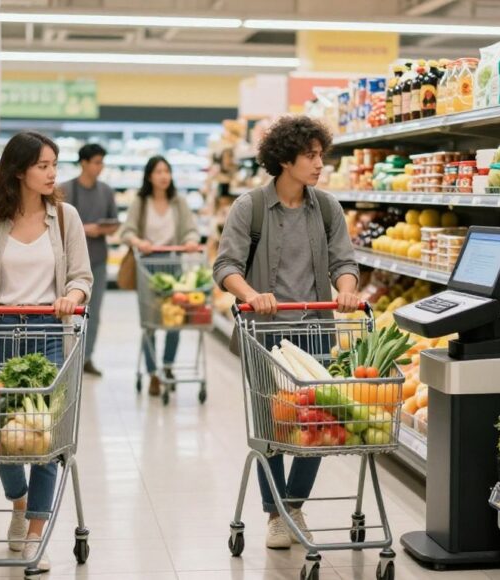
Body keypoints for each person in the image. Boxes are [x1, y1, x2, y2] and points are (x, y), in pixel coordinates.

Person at [213, 116, 360, 549]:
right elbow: (225, 267)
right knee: (272, 423)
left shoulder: (327, 207)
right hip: (265, 333)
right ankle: (276, 513)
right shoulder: (250, 208)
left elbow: (344, 263)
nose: (319, 164)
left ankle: (293, 503)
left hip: (316, 330)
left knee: (317, 425)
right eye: (311, 156)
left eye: (321, 155)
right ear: (285, 159)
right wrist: (251, 294)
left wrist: (347, 291)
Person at [0, 131, 93, 571]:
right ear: (19, 171)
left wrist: (72, 295)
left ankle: (36, 531)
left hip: (51, 332)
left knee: (44, 434)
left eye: (54, 164)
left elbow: (82, 277)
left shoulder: (66, 218)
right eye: (43, 166)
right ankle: (19, 501)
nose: (53, 173)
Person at [120, 155, 200, 396]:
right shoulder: (140, 202)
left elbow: (191, 230)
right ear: (149, 176)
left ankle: (168, 366)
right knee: (150, 324)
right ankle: (153, 372)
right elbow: (127, 231)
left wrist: (190, 242)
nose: (164, 176)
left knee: (174, 321)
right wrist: (138, 241)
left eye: (167, 171)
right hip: (147, 267)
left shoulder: (179, 202)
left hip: (173, 265)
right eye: (158, 171)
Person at [61, 143, 119, 376]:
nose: (99, 167)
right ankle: (68, 356)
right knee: (69, 311)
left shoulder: (106, 191)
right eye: (96, 162)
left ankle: (87, 358)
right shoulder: (65, 190)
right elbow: (58, 225)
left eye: (101, 162)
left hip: (97, 260)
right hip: (69, 264)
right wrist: (84, 229)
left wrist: (101, 229)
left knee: (93, 313)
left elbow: (114, 225)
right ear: (83, 163)